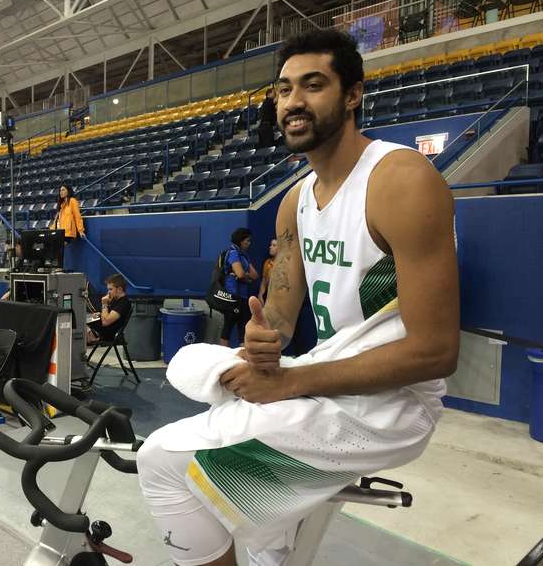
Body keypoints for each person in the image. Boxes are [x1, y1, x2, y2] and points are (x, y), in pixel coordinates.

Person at [137, 29, 459, 566]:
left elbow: (434, 353)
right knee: (261, 528)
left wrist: (289, 381)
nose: (294, 102)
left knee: (162, 462)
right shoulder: (294, 202)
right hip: (326, 379)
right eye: (284, 89)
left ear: (352, 94)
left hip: (391, 404)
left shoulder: (400, 180)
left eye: (313, 85)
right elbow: (280, 320)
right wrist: (263, 344)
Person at [219, 228, 258, 347]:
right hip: (232, 297)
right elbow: (241, 273)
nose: (249, 243)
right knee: (228, 327)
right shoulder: (233, 253)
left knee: (243, 328)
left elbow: (255, 275)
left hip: (243, 298)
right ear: (240, 241)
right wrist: (245, 277)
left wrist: (243, 276)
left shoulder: (244, 255)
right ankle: (222, 357)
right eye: (247, 241)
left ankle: (244, 357)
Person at [86, 273, 130, 343]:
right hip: (100, 327)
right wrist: (99, 315)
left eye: (110, 289)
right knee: (81, 320)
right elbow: (106, 315)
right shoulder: (115, 300)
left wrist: (104, 304)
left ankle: (90, 338)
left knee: (79, 325)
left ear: (119, 289)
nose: (108, 292)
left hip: (106, 333)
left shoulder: (123, 303)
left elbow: (106, 322)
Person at [257, 238, 278, 305]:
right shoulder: (267, 262)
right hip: (268, 297)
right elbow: (264, 280)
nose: (270, 247)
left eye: (274, 245)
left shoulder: (285, 264)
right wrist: (260, 295)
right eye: (271, 245)